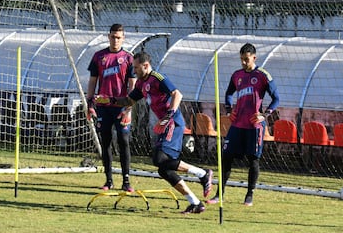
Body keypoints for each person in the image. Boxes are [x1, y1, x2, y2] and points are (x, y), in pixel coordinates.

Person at [95, 51, 213, 214]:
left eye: (136, 67)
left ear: (145, 65)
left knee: (158, 159)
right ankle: (195, 202)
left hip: (173, 123)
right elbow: (129, 100)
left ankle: (203, 173)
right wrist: (110, 100)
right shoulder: (141, 84)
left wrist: (169, 115)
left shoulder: (157, 77)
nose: (134, 71)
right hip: (164, 125)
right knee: (163, 169)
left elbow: (177, 94)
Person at [206, 43, 279, 206]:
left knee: (253, 160)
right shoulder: (237, 75)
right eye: (241, 60)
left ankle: (249, 194)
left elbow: (276, 99)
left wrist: (264, 115)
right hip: (237, 125)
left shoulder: (263, 75)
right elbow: (228, 94)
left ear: (254, 57)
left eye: (247, 59)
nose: (244, 63)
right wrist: (228, 110)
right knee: (226, 158)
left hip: (254, 126)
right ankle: (220, 194)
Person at [86, 24, 136, 192]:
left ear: (123, 38)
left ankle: (126, 181)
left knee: (123, 141)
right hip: (103, 106)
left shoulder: (129, 58)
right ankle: (108, 180)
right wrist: (89, 104)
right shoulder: (99, 56)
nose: (115, 40)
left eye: (119, 37)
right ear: (108, 36)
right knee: (106, 142)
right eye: (113, 36)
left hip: (121, 107)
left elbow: (134, 87)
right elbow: (93, 81)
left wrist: (128, 109)